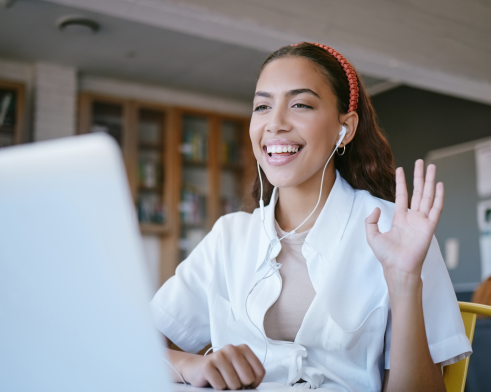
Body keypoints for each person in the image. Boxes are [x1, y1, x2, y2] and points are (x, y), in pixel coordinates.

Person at [150, 43, 471, 391]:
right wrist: (191, 366)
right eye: (262, 106)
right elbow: (136, 342)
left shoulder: (400, 232)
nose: (275, 124)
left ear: (344, 128)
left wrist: (405, 281)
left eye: (300, 104)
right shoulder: (230, 235)